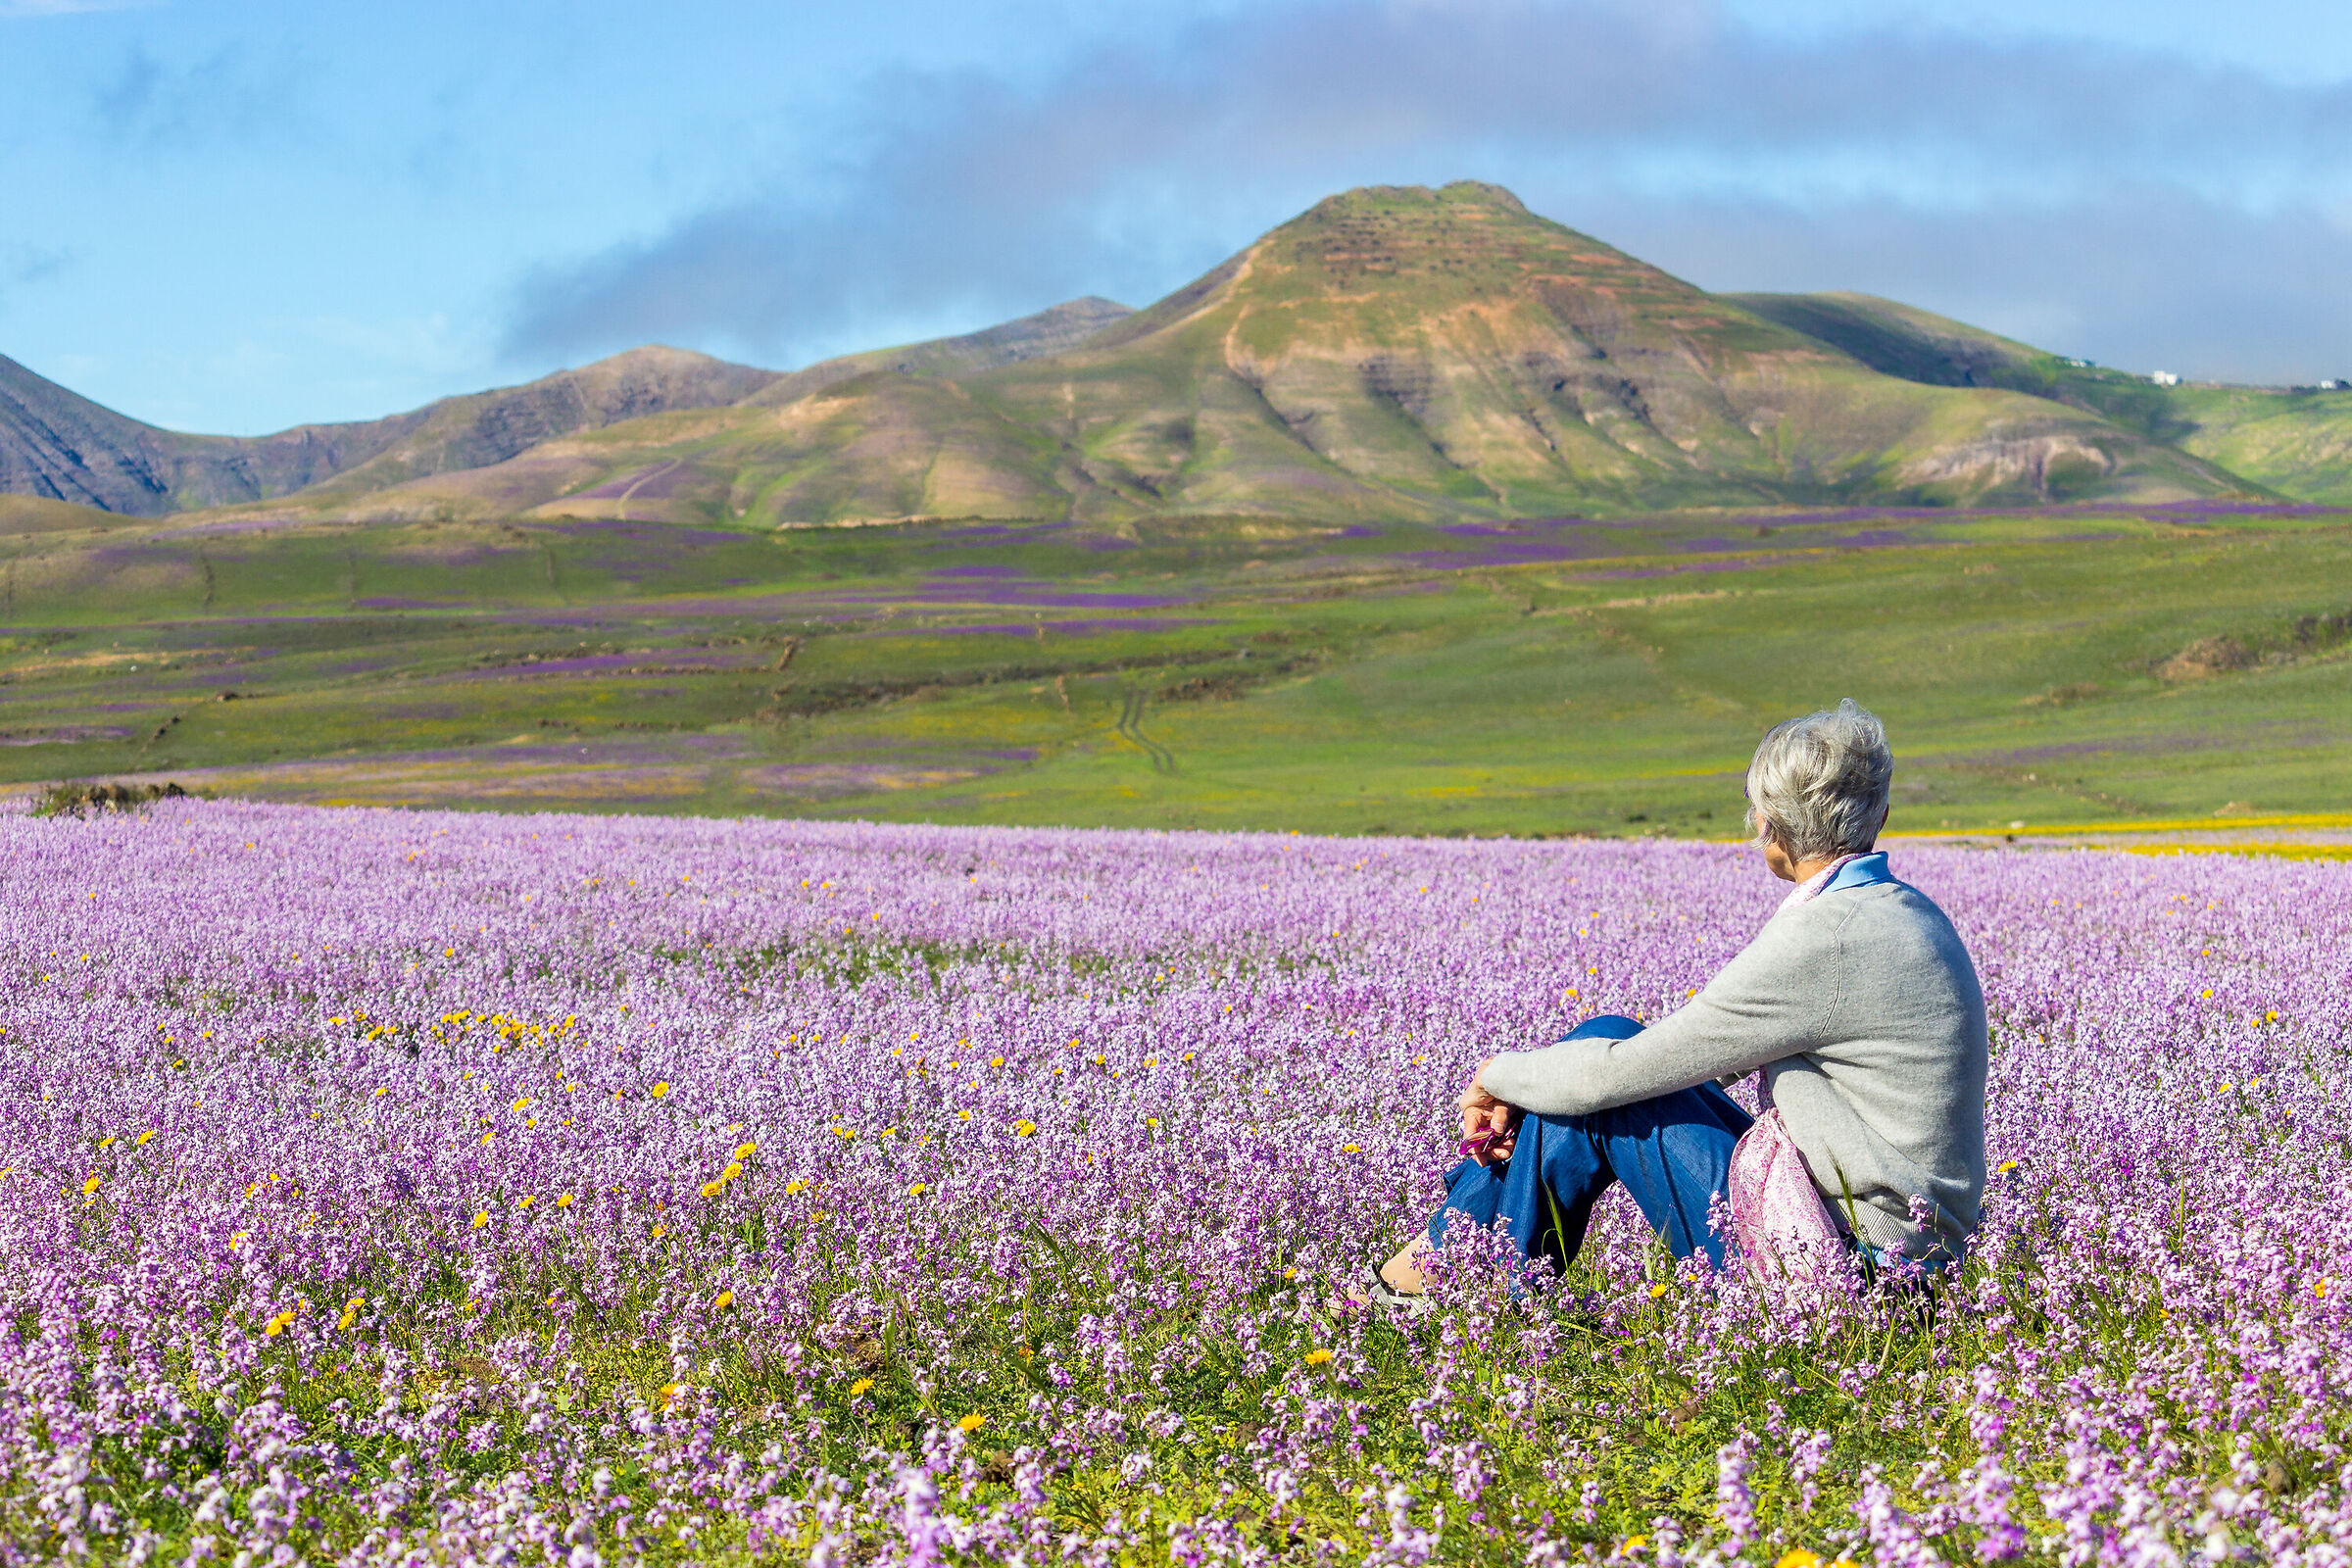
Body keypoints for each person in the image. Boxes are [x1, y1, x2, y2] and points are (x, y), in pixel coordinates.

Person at [1369, 700, 1988, 1306]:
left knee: (1604, 1096)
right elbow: (1691, 1059)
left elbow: (1616, 1077)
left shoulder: (1827, 938)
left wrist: (1494, 1076)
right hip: (1906, 1257)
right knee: (1606, 1037)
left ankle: (1461, 1278)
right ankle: (1446, 1258)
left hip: (1851, 1272)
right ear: (1882, 814)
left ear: (1770, 826)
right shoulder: (1908, 913)